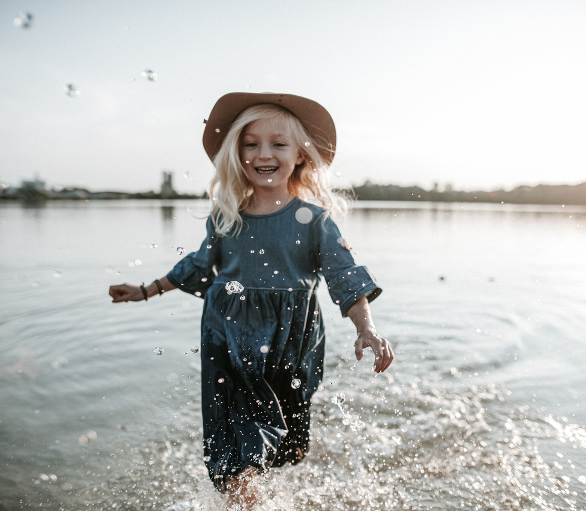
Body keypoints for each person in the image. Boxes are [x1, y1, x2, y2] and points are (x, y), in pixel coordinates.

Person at [108, 92, 393, 508]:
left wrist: (366, 328)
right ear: (237, 153)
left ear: (300, 154)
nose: (264, 154)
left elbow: (345, 276)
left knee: (285, 445)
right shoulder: (226, 216)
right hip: (228, 338)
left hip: (290, 343)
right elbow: (198, 266)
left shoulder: (314, 221)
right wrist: (146, 290)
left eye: (278, 144)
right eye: (251, 143)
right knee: (237, 451)